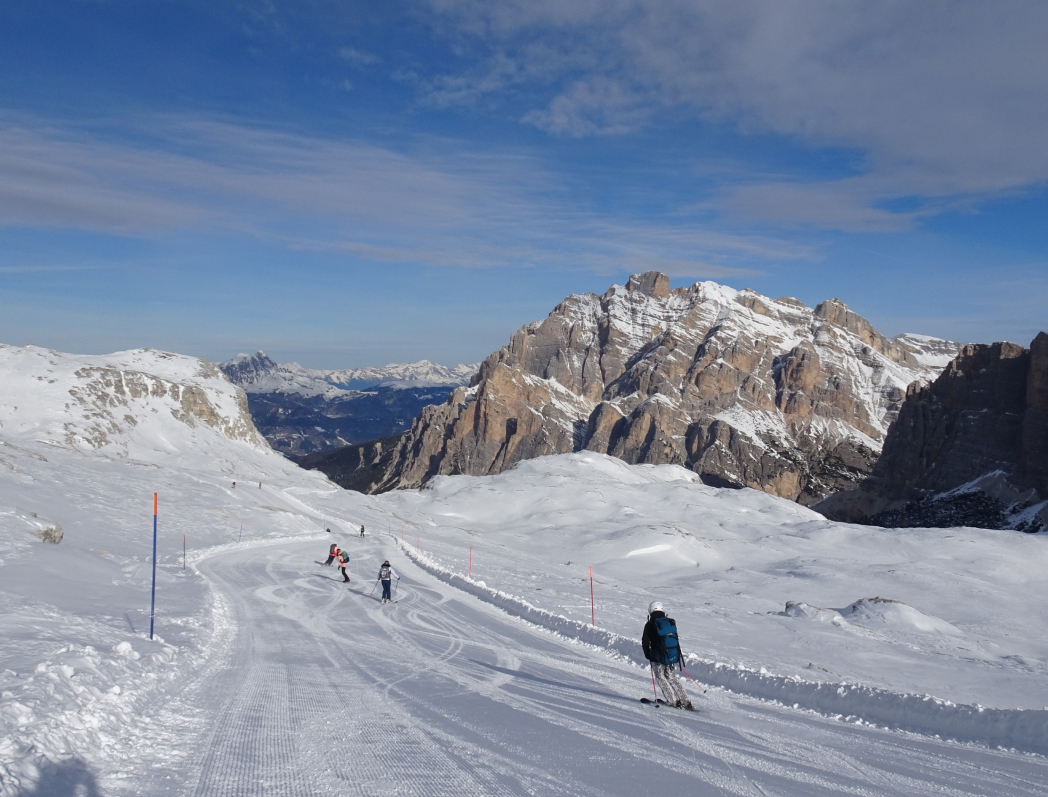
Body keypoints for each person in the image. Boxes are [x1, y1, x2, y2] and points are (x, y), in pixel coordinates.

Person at [642, 601, 693, 710]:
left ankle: (672, 701)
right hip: (671, 654)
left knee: (660, 677)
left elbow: (645, 641)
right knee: (671, 677)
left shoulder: (650, 624)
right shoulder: (669, 622)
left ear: (650, 611)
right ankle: (686, 700)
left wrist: (648, 654)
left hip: (657, 656)